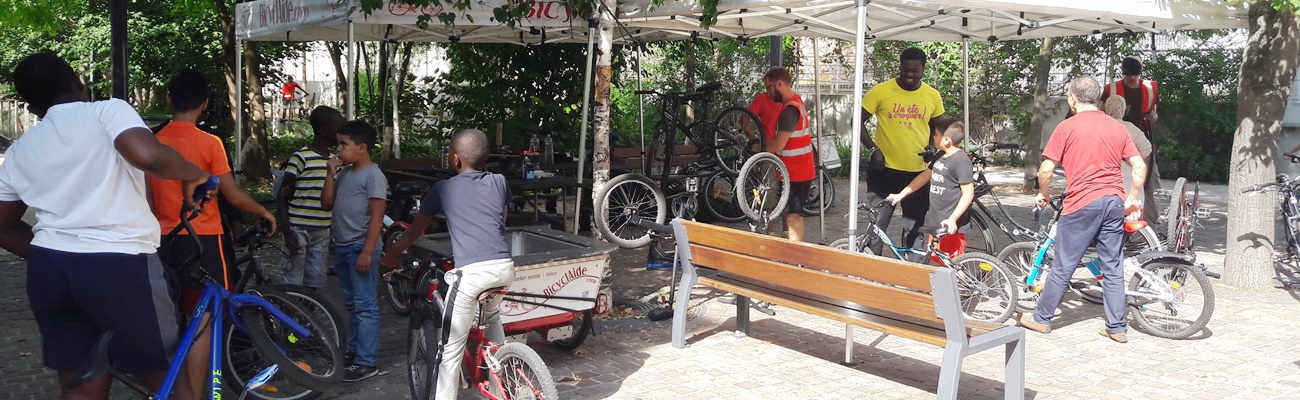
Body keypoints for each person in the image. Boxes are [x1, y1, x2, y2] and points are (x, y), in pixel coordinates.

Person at [0, 52, 213, 399]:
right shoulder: (106, 111)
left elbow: (3, 226)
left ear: (31, 104)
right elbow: (146, 155)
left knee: (82, 386)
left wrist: (53, 252)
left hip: (51, 272)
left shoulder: (22, 151)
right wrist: (198, 173)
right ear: (76, 81)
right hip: (121, 266)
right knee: (169, 381)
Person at [148, 69, 278, 397]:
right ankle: (196, 392)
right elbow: (231, 195)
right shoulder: (209, 143)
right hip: (203, 241)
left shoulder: (151, 143)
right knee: (202, 321)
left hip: (159, 240)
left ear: (168, 99)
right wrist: (263, 211)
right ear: (204, 104)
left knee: (170, 318)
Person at [381, 128, 515, 400]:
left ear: (454, 160)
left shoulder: (443, 188)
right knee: (491, 316)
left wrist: (391, 255)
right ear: (487, 156)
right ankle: (504, 379)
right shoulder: (500, 181)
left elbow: (415, 232)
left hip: (472, 275)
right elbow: (500, 220)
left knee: (449, 350)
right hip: (504, 267)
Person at [1020, 76, 1147, 344]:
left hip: (1081, 203)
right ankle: (1116, 327)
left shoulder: (1066, 127)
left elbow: (1045, 169)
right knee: (1112, 266)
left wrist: (1043, 193)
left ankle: (1041, 319)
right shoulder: (1116, 128)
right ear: (1098, 98)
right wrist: (1133, 196)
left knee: (1064, 264)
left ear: (1072, 98)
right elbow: (1139, 166)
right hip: (1114, 201)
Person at [860, 47, 946, 252]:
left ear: (923, 69)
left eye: (915, 71)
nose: (909, 75)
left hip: (917, 173)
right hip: (884, 170)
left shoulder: (932, 95)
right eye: (905, 69)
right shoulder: (881, 91)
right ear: (899, 67)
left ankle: (911, 271)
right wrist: (873, 149)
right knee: (877, 226)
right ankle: (872, 272)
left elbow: (939, 127)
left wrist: (933, 149)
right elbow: (857, 121)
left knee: (914, 227)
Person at [322, 120, 388, 381]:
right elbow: (326, 204)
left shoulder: (373, 175)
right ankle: (353, 352)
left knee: (365, 306)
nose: (339, 150)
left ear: (361, 147)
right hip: (342, 246)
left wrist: (368, 252)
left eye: (343, 144)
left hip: (361, 246)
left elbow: (377, 217)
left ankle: (366, 361)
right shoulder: (346, 174)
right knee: (351, 304)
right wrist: (330, 174)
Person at [884, 119, 973, 258]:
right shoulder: (940, 155)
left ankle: (966, 280)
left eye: (936, 135)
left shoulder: (961, 160)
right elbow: (924, 176)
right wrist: (900, 195)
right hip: (937, 221)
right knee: (938, 261)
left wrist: (953, 219)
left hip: (949, 225)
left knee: (954, 265)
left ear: (947, 140)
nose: (933, 137)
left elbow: (968, 194)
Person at [279, 106, 342, 289]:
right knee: (293, 278)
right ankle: (288, 313)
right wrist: (287, 231)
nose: (339, 134)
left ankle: (308, 315)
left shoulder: (334, 161)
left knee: (316, 279)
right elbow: (282, 197)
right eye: (336, 129)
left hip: (322, 230)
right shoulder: (301, 158)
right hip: (298, 229)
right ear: (323, 130)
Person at [1101, 56, 1162, 219]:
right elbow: (1101, 111)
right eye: (1129, 75)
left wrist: (1154, 117)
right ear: (1123, 74)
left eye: (1136, 75)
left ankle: (1149, 220)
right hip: (1114, 136)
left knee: (1147, 179)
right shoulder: (1110, 89)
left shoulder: (1149, 89)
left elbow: (1154, 112)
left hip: (1140, 137)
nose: (1133, 78)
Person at [761, 67, 816, 241]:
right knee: (792, 214)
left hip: (796, 172)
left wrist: (757, 147)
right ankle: (793, 254)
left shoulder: (790, 110)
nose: (768, 93)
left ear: (779, 84)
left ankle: (796, 258)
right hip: (797, 170)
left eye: (769, 87)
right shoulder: (797, 102)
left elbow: (778, 144)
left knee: (793, 217)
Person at [1104, 95, 1159, 222]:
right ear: (1123, 110)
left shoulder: (1099, 127)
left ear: (1106, 109)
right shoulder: (1131, 129)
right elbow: (1147, 149)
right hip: (1128, 183)